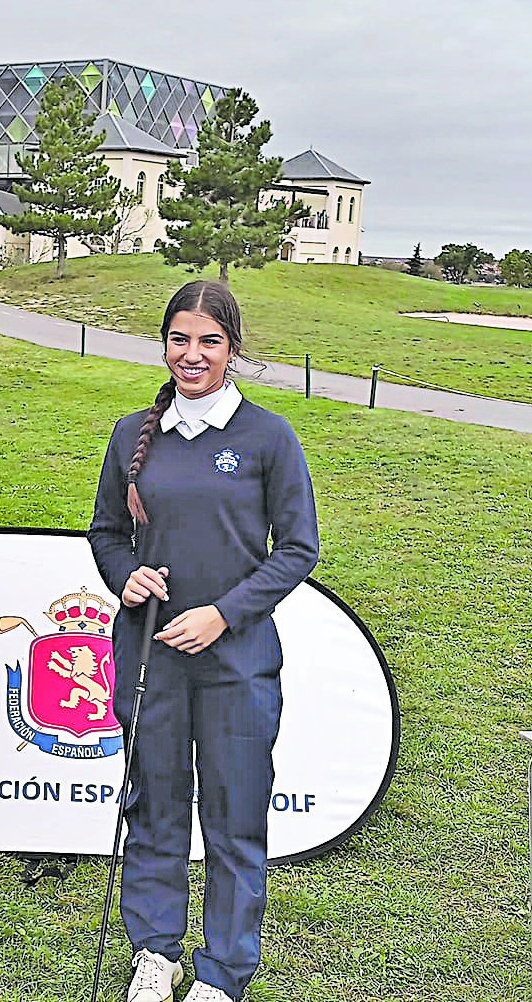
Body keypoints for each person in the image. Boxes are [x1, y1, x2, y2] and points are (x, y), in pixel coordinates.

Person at [87, 280, 320, 1002]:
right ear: (164, 345)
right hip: (150, 656)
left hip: (236, 663)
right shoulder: (133, 432)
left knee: (234, 814)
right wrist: (124, 577)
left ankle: (222, 972)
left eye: (209, 341)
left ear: (233, 349)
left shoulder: (267, 437)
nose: (193, 355)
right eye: (180, 339)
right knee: (155, 806)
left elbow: (298, 549)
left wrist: (223, 613)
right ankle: (156, 952)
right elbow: (105, 531)